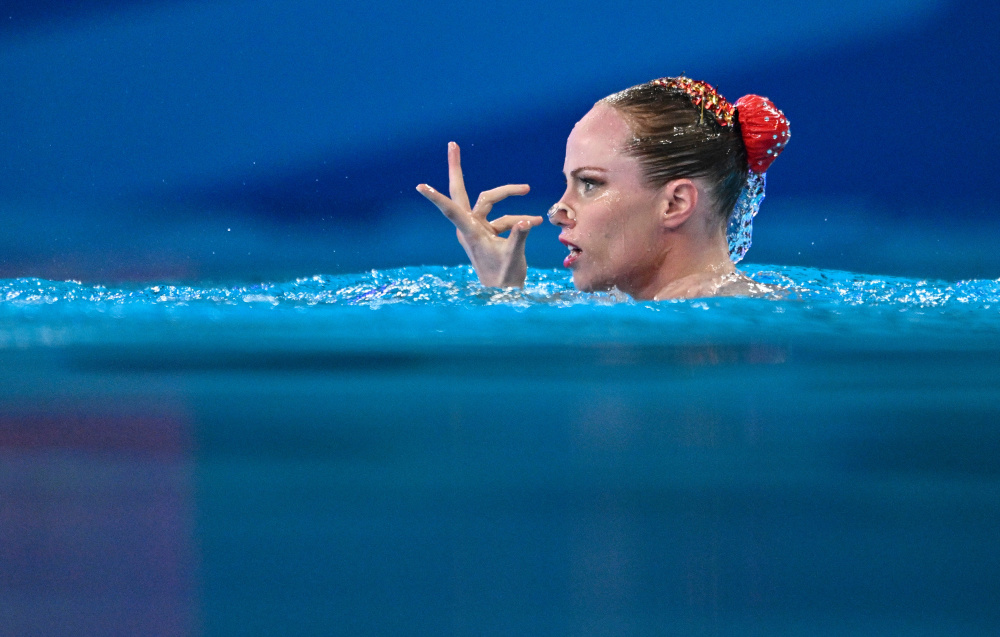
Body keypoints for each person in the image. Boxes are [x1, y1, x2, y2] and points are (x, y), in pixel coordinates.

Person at [416, 76, 790, 300]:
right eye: (569, 184)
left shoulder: (730, 317)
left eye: (590, 183)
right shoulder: (659, 312)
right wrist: (503, 290)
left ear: (675, 203)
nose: (557, 211)